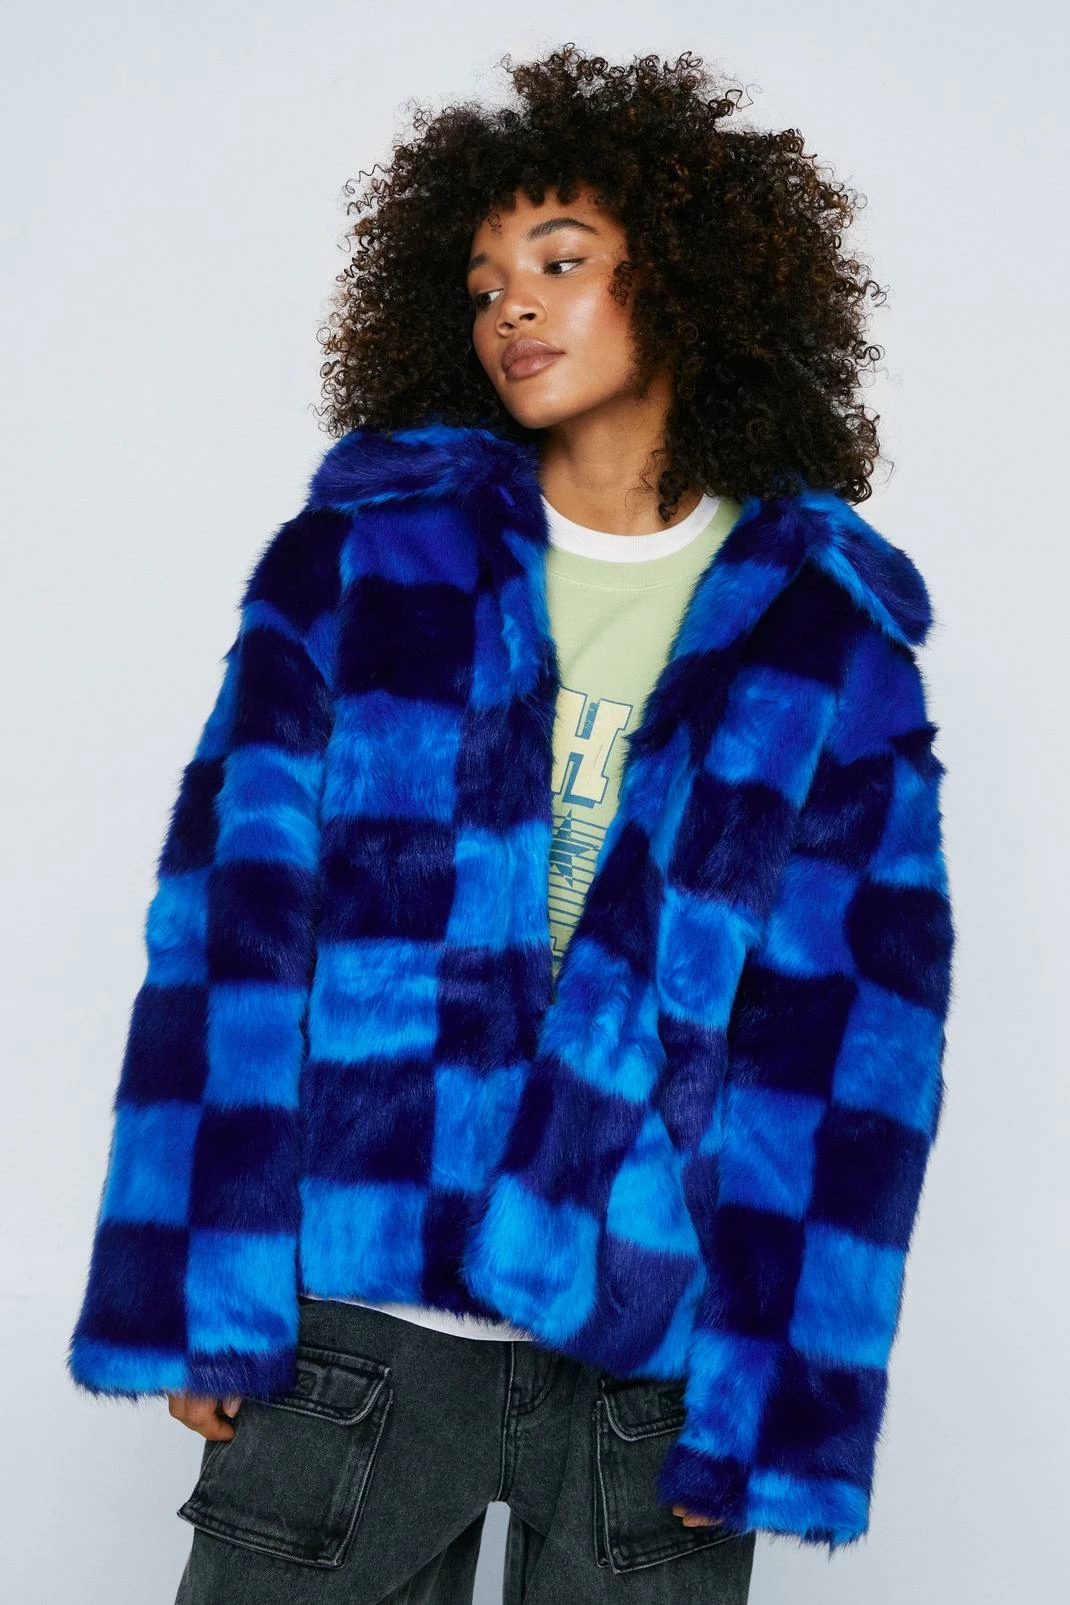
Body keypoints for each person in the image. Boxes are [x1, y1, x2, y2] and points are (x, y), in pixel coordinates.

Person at [67, 43, 955, 1605]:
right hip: (359, 1331)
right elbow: (227, 936)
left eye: (558, 263)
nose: (511, 311)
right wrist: (204, 1290)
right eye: (482, 285)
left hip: (644, 1356)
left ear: (682, 282)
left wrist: (777, 1409)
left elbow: (850, 1059)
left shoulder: (820, 642)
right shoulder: (365, 568)